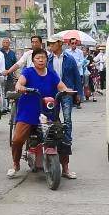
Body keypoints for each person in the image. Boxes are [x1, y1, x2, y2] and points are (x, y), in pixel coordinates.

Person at [8, 49, 73, 177]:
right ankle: (15, 164)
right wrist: (20, 87)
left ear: (46, 59)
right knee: (17, 140)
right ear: (33, 60)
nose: (41, 60)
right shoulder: (28, 72)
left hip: (48, 112)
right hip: (28, 112)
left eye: (43, 57)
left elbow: (61, 85)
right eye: (38, 58)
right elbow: (20, 82)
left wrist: (66, 90)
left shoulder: (51, 74)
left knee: (62, 137)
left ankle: (65, 168)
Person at [47, 36, 82, 179]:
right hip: (52, 93)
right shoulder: (47, 59)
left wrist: (78, 93)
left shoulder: (69, 58)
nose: (50, 46)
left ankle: (67, 141)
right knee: (52, 118)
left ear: (59, 44)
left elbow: (76, 76)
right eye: (48, 44)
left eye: (52, 44)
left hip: (67, 92)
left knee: (67, 118)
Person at [66, 38, 85, 106]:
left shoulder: (80, 52)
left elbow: (82, 61)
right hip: (70, 72)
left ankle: (78, 102)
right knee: (71, 86)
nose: (74, 45)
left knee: (78, 86)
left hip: (78, 71)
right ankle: (72, 101)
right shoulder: (67, 52)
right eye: (72, 43)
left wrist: (76, 65)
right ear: (69, 44)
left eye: (75, 43)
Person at [0, 38, 18, 102]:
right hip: (1, 75)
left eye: (7, 42)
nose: (5, 44)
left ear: (9, 44)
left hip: (10, 75)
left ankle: (9, 106)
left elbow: (15, 64)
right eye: (4, 42)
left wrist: (15, 75)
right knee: (2, 91)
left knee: (10, 91)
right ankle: (3, 106)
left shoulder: (12, 53)